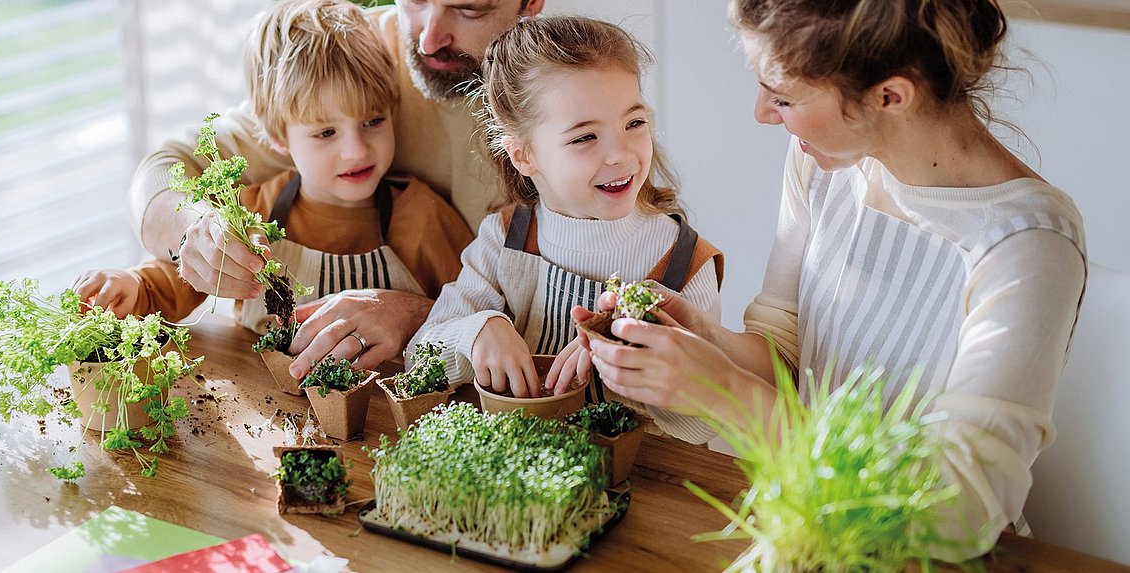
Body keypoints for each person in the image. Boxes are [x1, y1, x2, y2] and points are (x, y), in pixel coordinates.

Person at [581, 0, 1085, 557]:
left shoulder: (1029, 244)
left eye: (784, 96)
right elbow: (788, 358)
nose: (762, 113)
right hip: (805, 525)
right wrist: (701, 335)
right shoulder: (823, 164)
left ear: (890, 96)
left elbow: (956, 509)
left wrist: (723, 391)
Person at [127, 0, 545, 376]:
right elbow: (168, 167)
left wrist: (415, 314)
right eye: (416, 1)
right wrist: (195, 233)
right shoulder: (364, 49)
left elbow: (523, 324)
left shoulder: (563, 103)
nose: (428, 39)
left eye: (469, 9)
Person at [73, 0, 473, 340]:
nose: (355, 151)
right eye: (325, 132)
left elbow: (473, 316)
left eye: (373, 122)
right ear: (278, 136)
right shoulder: (251, 212)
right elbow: (166, 285)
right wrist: (129, 287)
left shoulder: (424, 218)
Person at [410, 16, 724, 444]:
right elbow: (418, 357)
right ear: (524, 155)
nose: (620, 155)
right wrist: (477, 330)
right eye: (584, 138)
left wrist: (637, 362)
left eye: (634, 123)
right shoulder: (505, 240)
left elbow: (707, 423)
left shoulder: (685, 262)